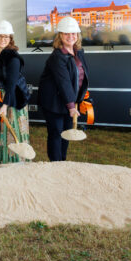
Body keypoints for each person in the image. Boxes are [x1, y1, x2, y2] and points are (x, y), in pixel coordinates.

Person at [38, 16, 89, 161]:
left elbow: (81, 76)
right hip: (54, 102)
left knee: (66, 133)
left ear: (77, 35)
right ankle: (56, 165)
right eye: (66, 33)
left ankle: (63, 163)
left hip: (69, 101)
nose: (70, 36)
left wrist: (78, 99)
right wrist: (72, 106)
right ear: (60, 35)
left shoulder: (79, 52)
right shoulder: (57, 57)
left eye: (73, 33)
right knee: (56, 134)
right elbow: (64, 82)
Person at [0, 20, 30, 163]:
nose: (3, 40)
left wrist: (4, 105)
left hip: (13, 95)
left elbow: (11, 84)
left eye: (6, 37)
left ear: (10, 39)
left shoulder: (13, 58)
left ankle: (12, 160)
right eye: (0, 36)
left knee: (8, 128)